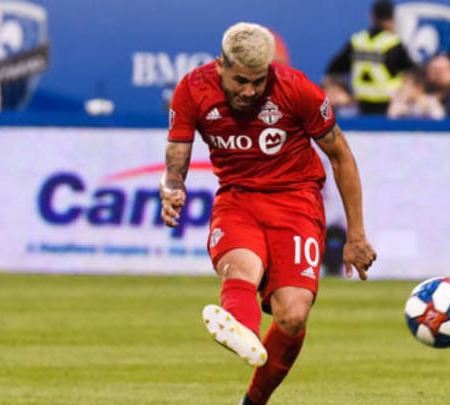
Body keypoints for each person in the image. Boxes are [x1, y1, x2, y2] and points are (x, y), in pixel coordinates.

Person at [159, 22, 377, 405]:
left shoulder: (297, 90)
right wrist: (172, 189)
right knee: (242, 267)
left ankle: (252, 397)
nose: (249, 91)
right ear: (221, 65)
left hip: (296, 202)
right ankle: (241, 328)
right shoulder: (192, 90)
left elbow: (341, 156)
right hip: (238, 199)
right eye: (241, 80)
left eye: (258, 81)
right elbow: (176, 159)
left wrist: (356, 235)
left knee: (292, 316)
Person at [325, 0, 414, 115]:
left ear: (372, 16)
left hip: (359, 105)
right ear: (392, 18)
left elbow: (333, 69)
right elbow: (413, 72)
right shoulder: (394, 43)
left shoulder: (357, 41)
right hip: (388, 105)